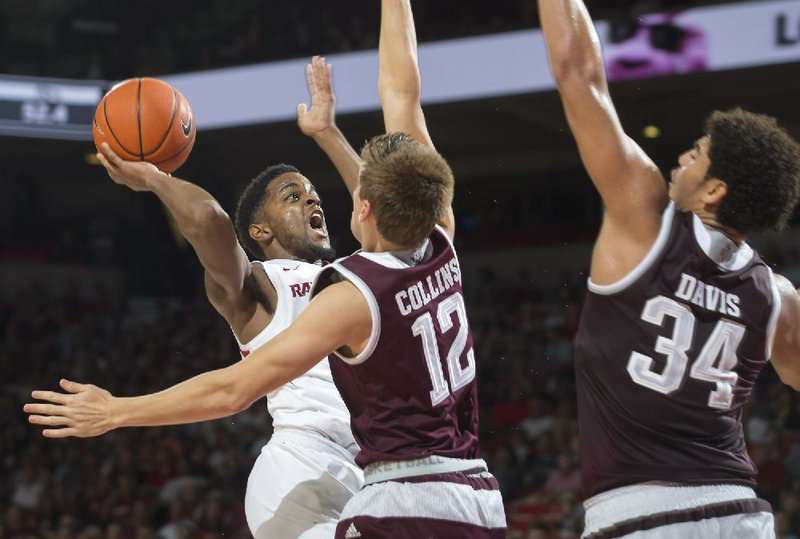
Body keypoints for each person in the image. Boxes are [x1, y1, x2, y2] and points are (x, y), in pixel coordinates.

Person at [539, 0, 800, 537]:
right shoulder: (776, 297)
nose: (682, 156)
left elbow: (577, 75)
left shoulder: (645, 218)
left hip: (640, 515)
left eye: (697, 154)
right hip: (741, 514)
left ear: (714, 190)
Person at [97, 56, 366, 539]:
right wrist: (156, 178)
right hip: (303, 466)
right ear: (259, 231)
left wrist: (328, 133)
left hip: (375, 469)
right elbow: (208, 222)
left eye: (312, 195)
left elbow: (393, 216)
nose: (312, 200)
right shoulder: (259, 284)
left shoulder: (358, 275)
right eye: (292, 196)